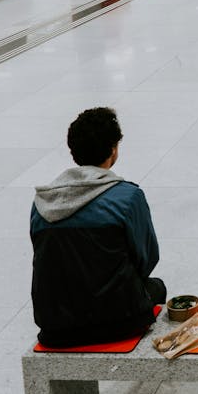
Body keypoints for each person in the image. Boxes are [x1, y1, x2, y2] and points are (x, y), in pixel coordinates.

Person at [30, 107, 165, 349]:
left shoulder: (42, 202)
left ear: (73, 152)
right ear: (113, 149)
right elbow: (146, 260)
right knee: (156, 287)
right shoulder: (127, 197)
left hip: (54, 326)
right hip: (120, 320)